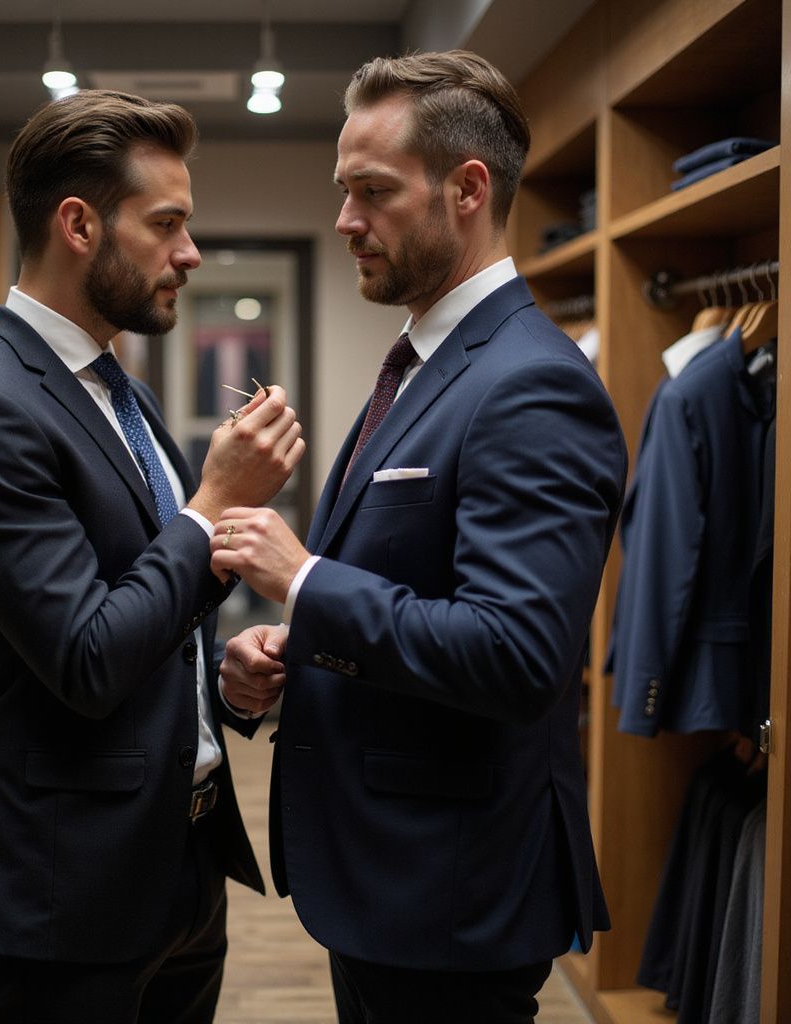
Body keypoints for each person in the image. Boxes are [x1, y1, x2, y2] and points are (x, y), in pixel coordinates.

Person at [212, 51, 628, 1024]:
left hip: (452, 890)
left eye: (372, 192)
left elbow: (517, 653)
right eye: (341, 191)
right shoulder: (423, 361)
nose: (345, 221)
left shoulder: (532, 383)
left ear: (467, 189)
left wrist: (306, 582)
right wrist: (292, 649)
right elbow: (414, 588)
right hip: (390, 877)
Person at [0, 90, 304, 1024]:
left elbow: (145, 599)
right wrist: (214, 504)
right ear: (78, 225)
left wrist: (223, 674)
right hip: (65, 886)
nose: (190, 252)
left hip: (181, 860)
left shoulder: (111, 386)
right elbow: (84, 656)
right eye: (166, 224)